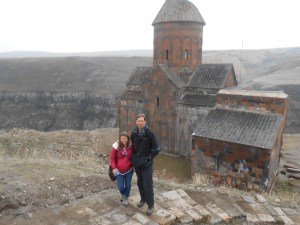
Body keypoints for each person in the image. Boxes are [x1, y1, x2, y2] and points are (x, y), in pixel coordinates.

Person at [130, 113, 160, 215]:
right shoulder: (134, 133)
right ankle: (143, 200)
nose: (140, 122)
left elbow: (156, 148)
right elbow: (132, 147)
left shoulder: (149, 133)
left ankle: (151, 205)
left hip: (146, 164)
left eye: (142, 121)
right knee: (140, 182)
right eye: (138, 121)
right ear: (136, 122)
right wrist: (133, 158)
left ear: (145, 122)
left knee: (147, 184)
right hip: (138, 163)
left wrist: (148, 158)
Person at [110, 131, 134, 206]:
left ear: (128, 138)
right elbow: (112, 159)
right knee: (120, 186)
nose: (124, 140)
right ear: (119, 139)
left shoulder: (131, 146)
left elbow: (135, 154)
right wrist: (114, 168)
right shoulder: (116, 147)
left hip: (129, 170)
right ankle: (123, 194)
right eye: (122, 139)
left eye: (125, 138)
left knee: (128, 185)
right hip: (118, 170)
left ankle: (125, 197)